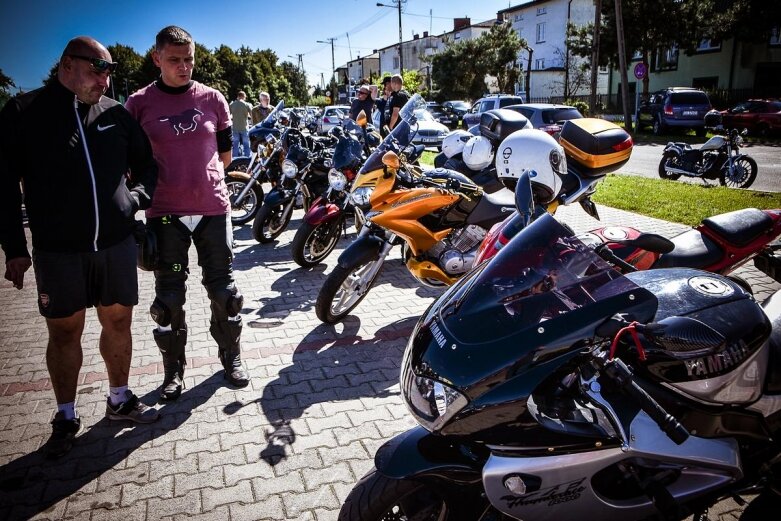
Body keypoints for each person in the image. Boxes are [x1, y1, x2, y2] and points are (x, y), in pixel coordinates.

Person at [0, 36, 160, 458]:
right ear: (67, 64)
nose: (105, 80)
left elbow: (146, 164)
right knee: (65, 330)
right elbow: (4, 185)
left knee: (119, 322)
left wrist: (136, 198)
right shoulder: (23, 113)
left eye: (110, 72)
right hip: (59, 251)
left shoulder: (117, 116)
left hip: (115, 245)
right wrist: (14, 247)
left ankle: (120, 398)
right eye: (97, 68)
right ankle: (66, 414)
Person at [125, 25, 250, 402]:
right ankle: (173, 372)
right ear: (157, 58)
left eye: (190, 59)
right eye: (175, 60)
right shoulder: (138, 103)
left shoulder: (213, 99)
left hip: (212, 208)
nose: (184, 67)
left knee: (225, 293)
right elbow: (131, 162)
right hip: (164, 214)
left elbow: (225, 156)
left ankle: (232, 358)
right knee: (169, 300)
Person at [229, 90, 252, 157]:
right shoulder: (247, 105)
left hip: (235, 128)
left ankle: (235, 160)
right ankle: (247, 159)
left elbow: (228, 115)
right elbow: (252, 115)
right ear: (243, 96)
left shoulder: (232, 104)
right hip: (244, 128)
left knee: (235, 146)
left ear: (238, 96)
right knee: (246, 145)